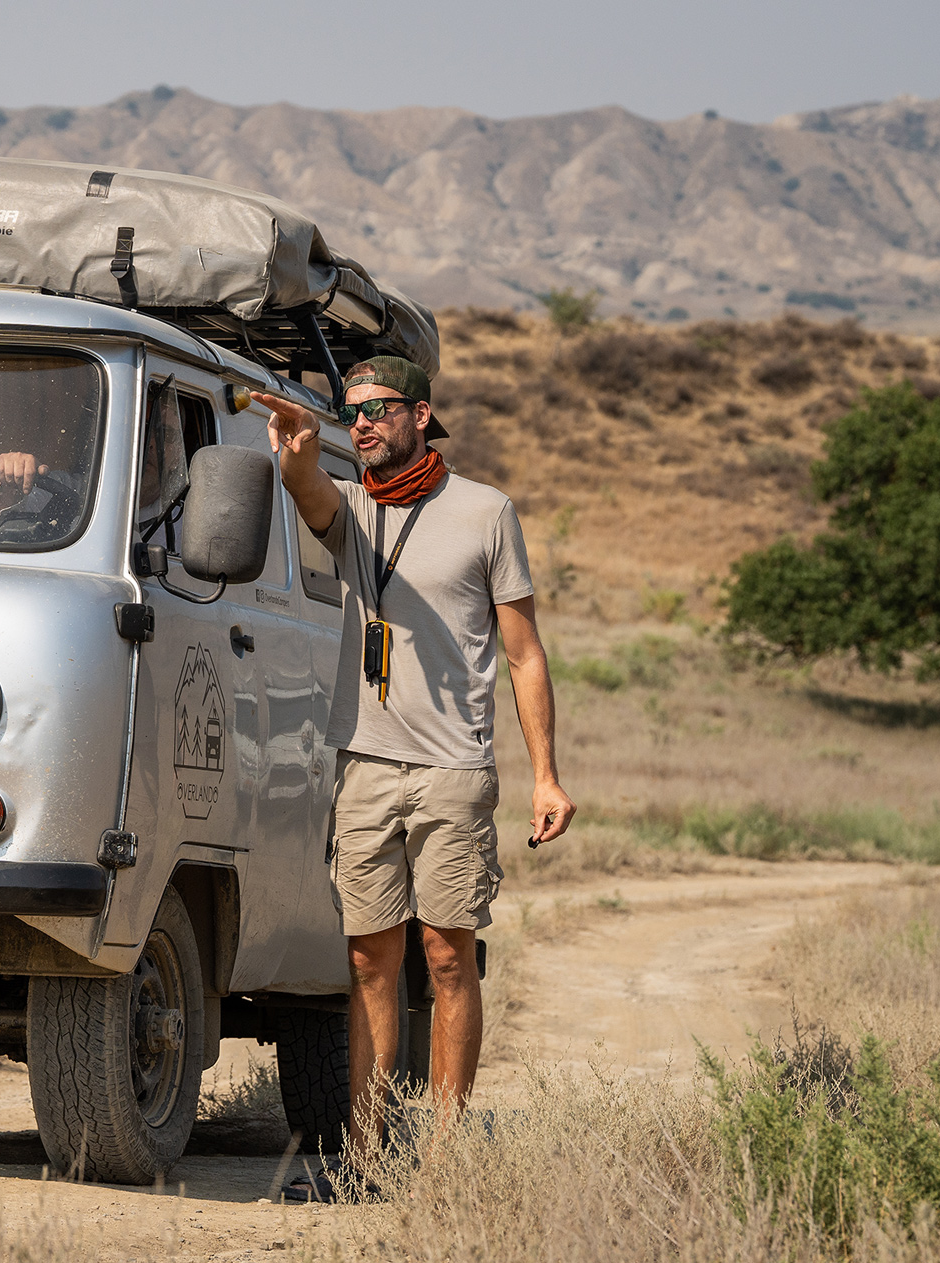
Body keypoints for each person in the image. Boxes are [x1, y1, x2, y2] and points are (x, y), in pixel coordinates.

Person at [251, 357, 576, 1196]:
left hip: (453, 770)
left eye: (378, 410)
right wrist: (294, 449)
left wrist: (546, 775)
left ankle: (443, 1162)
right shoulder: (352, 505)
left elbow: (524, 651)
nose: (360, 424)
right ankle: (363, 1162)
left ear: (421, 415)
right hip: (364, 764)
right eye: (350, 412)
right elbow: (306, 490)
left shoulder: (485, 512)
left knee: (446, 955)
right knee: (367, 960)